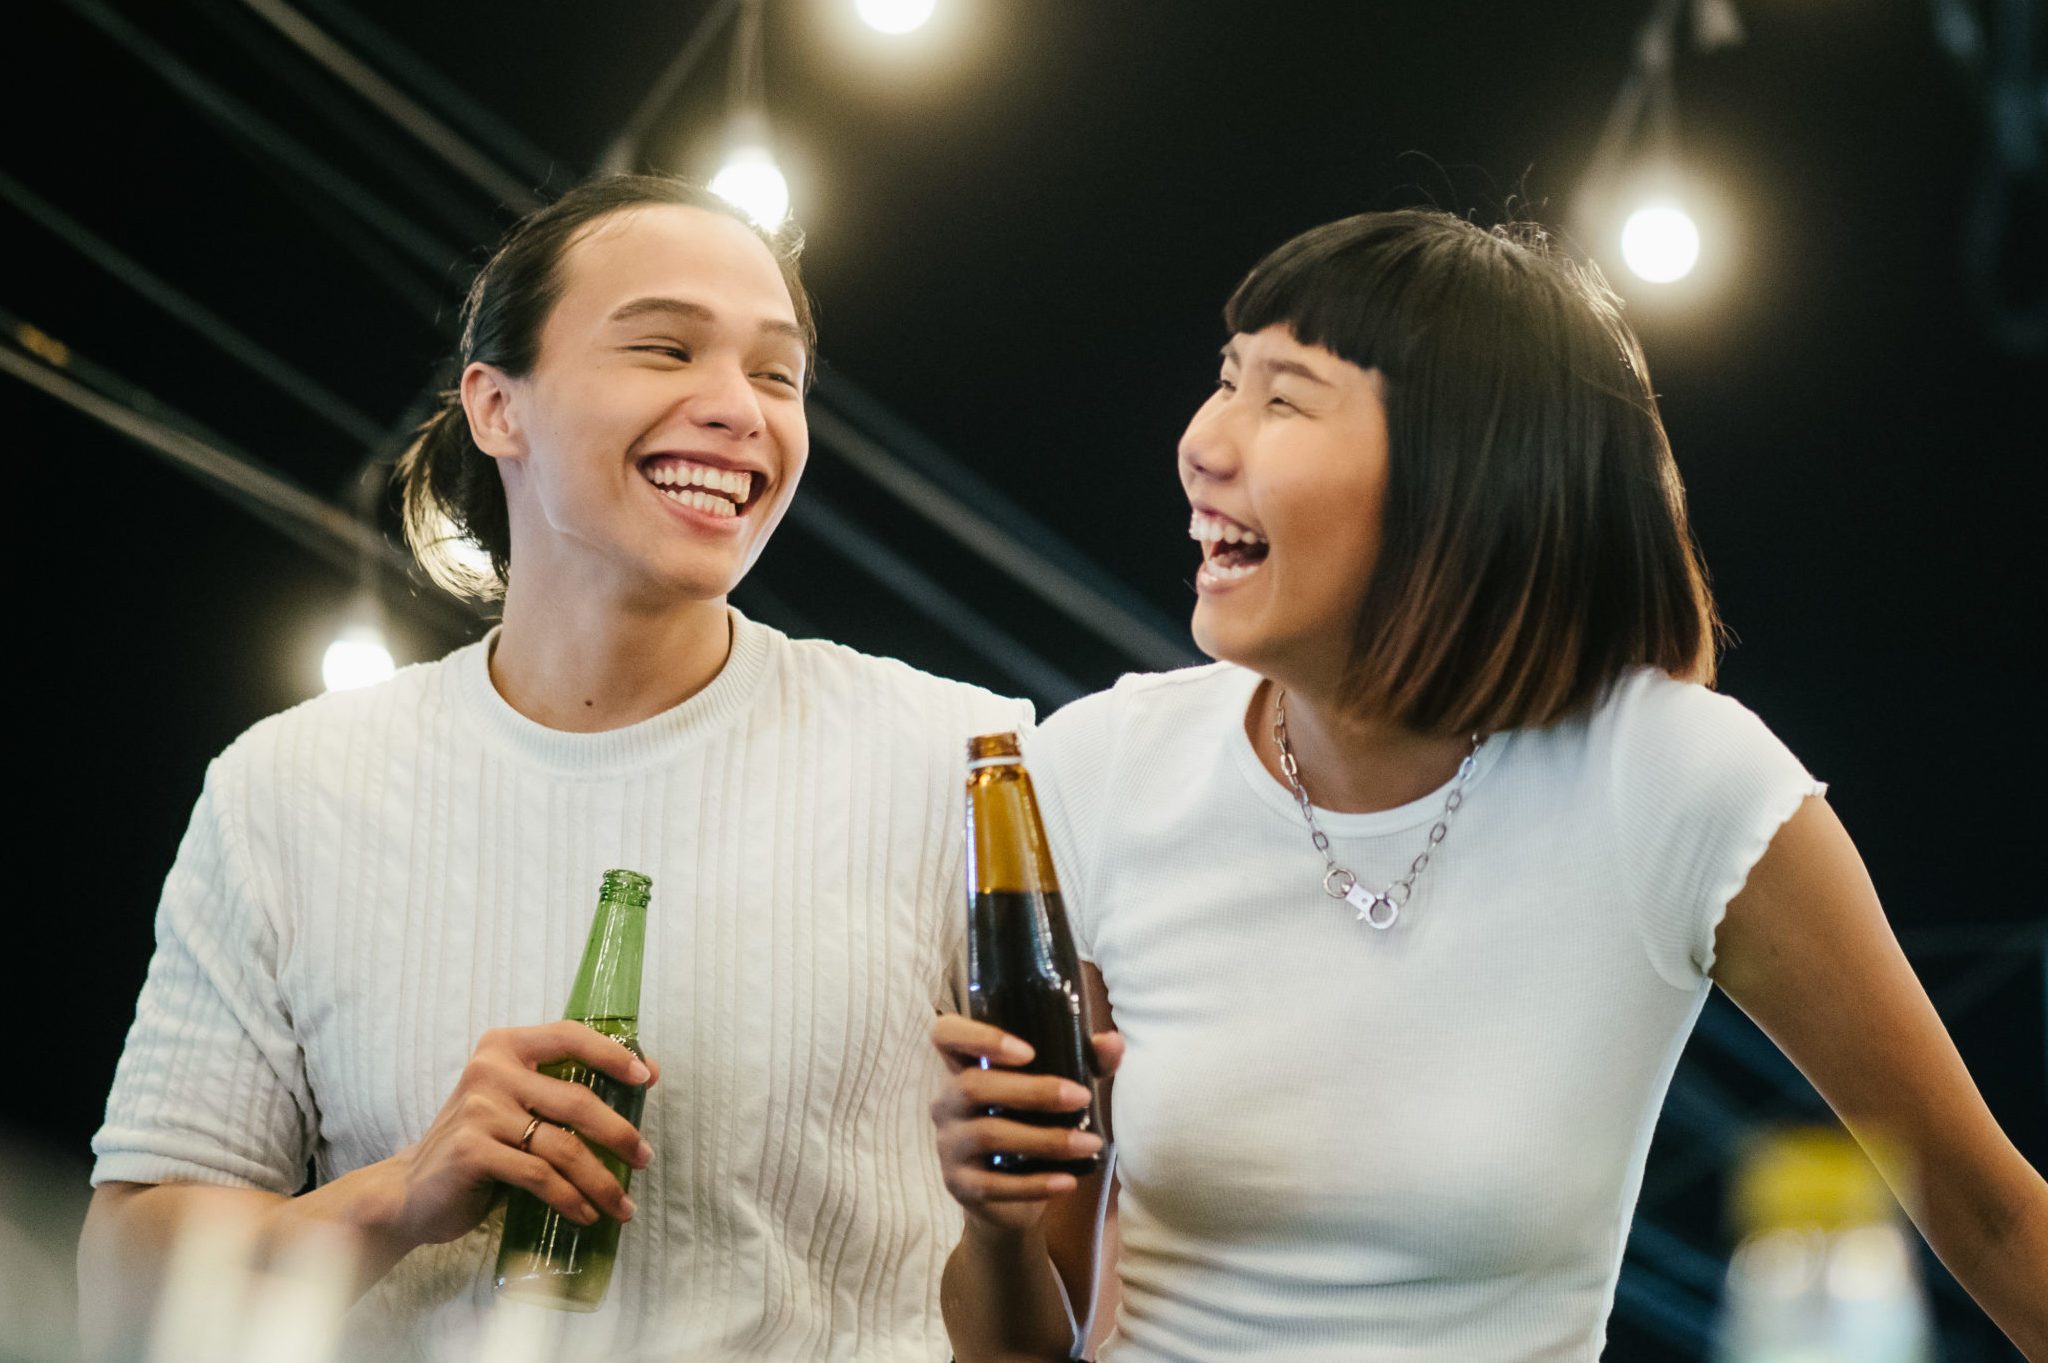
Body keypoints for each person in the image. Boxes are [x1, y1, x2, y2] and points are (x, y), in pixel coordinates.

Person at [929, 209, 2048, 1361]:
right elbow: (1021, 1342)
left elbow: (1996, 1217)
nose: (1202, 442)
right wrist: (996, 1226)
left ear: (1454, 479)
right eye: (1225, 380)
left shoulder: (1673, 783)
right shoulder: (1096, 768)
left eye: (1281, 399)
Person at [81, 175, 1029, 1363]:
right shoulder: (286, 790)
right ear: (496, 405)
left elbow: (1093, 1250)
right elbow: (124, 1293)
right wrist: (400, 1192)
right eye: (665, 348)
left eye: (776, 374)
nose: (739, 409)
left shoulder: (960, 760)